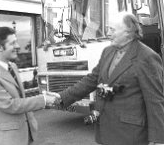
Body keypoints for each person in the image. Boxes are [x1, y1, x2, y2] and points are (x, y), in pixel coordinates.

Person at [45, 12, 164, 145]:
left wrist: (158, 139)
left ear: (128, 32)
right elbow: (90, 80)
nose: (108, 33)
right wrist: (62, 97)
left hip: (131, 135)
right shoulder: (107, 51)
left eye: (113, 29)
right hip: (106, 131)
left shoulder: (147, 57)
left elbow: (155, 101)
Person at [0, 27, 56, 145]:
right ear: (0, 47)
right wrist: (44, 100)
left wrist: (44, 95)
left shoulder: (12, 66)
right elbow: (11, 105)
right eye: (13, 43)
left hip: (26, 134)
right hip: (8, 139)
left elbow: (20, 97)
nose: (18, 46)